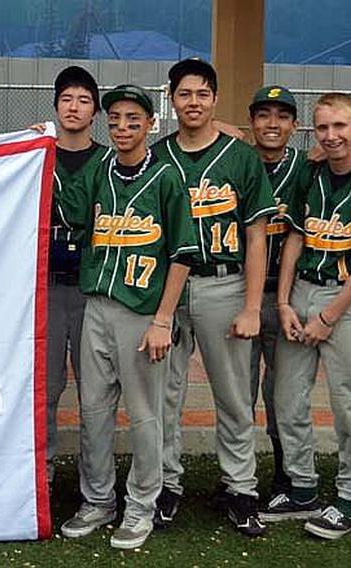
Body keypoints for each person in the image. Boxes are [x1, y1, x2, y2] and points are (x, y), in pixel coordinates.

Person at [57, 84, 197, 550]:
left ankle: (141, 506)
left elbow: (181, 254)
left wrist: (164, 319)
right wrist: (40, 144)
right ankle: (98, 501)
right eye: (114, 119)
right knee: (94, 412)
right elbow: (71, 210)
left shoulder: (167, 177)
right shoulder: (100, 171)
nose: (122, 127)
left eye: (133, 120)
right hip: (96, 303)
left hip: (142, 313)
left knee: (144, 417)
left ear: (150, 124)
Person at [154, 58, 276, 537]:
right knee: (165, 395)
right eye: (184, 94)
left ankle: (241, 488)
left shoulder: (239, 156)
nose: (194, 102)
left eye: (203, 94)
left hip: (224, 283)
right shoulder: (158, 155)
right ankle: (165, 484)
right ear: (172, 99)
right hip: (168, 286)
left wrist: (250, 305)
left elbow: (257, 237)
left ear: (215, 99)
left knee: (232, 396)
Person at [273, 92, 351, 540]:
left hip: (344, 298)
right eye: (323, 127)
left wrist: (329, 317)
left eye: (340, 126)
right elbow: (295, 240)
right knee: (288, 397)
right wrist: (284, 302)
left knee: (345, 404)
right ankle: (303, 488)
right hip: (303, 288)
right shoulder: (311, 173)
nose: (331, 135)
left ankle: (347, 496)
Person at [42, 66, 112, 485]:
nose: (74, 107)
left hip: (93, 290)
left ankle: (96, 482)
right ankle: (42, 473)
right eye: (67, 98)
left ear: (95, 111)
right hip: (46, 286)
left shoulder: (108, 161)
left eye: (84, 100)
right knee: (46, 389)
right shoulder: (36, 154)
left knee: (96, 391)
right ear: (55, 105)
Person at [243, 86, 312, 509]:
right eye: (264, 115)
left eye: (282, 116)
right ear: (251, 122)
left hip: (287, 294)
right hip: (243, 292)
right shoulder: (236, 160)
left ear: (294, 125)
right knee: (240, 392)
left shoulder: (307, 166)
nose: (272, 124)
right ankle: (240, 478)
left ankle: (287, 475)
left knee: (283, 394)